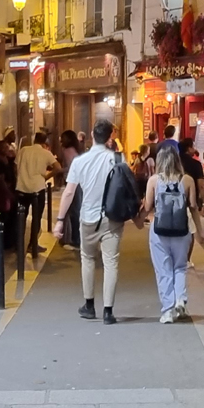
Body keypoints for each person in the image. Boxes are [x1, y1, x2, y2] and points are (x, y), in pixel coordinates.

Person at [60, 120, 139, 324]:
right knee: (111, 262)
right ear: (110, 137)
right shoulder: (118, 158)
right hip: (112, 217)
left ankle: (89, 305)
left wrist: (60, 220)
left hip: (88, 217)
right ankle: (108, 311)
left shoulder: (80, 161)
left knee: (87, 259)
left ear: (92, 136)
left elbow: (69, 192)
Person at [141, 145, 202, 323]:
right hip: (182, 231)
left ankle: (168, 310)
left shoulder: (153, 181)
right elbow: (193, 207)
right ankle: (180, 300)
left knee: (163, 270)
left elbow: (147, 207)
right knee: (180, 267)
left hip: (159, 232)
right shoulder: (187, 180)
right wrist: (199, 232)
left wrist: (137, 220)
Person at [14, 130, 55, 258]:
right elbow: (58, 167)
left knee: (21, 217)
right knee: (36, 218)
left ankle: (18, 245)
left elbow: (15, 166)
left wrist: (20, 176)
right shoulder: (46, 153)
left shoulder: (23, 150)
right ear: (44, 142)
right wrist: (46, 177)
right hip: (38, 189)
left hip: (21, 188)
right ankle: (32, 245)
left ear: (34, 140)